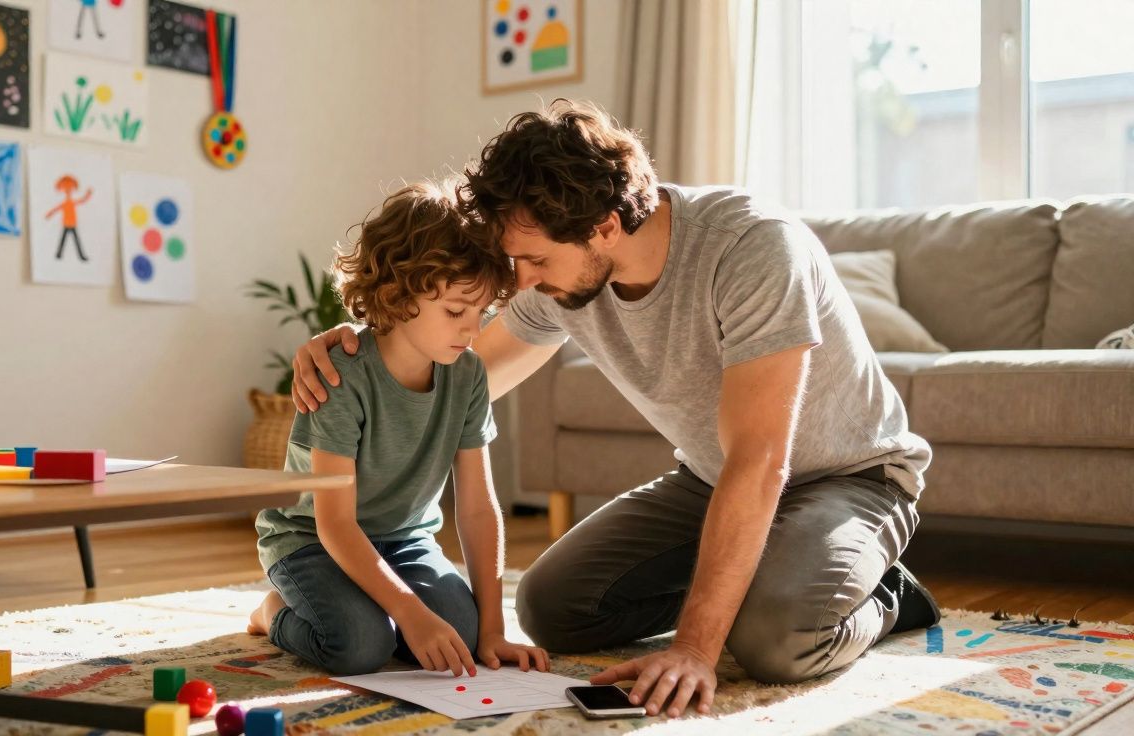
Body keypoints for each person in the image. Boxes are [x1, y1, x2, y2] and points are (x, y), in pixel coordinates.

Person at [291, 100, 940, 715]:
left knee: (771, 641)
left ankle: (884, 593)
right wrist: (359, 349)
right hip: (711, 481)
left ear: (604, 227)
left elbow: (762, 457)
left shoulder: (751, 248)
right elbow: (457, 372)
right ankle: (760, 576)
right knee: (554, 608)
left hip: (846, 477)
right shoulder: (561, 276)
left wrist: (695, 646)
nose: (520, 283)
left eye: (535, 261)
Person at [250, 181, 549, 677]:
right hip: (311, 541)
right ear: (397, 292)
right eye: (456, 311)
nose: (473, 331)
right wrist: (409, 612)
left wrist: (494, 629)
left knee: (464, 637)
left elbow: (477, 506)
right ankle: (271, 611)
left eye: (482, 313)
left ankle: (406, 610)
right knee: (360, 645)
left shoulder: (468, 373)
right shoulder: (341, 374)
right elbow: (335, 524)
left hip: (405, 539)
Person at [45, 176, 93, 262]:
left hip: (72, 224)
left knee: (74, 240)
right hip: (66, 224)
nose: (68, 191)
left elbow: (83, 200)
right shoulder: (65, 203)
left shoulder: (72, 202)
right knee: (66, 240)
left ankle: (63, 255)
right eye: (66, 189)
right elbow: (56, 209)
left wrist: (88, 194)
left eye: (70, 189)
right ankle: (60, 254)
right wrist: (49, 214)